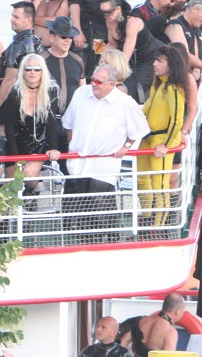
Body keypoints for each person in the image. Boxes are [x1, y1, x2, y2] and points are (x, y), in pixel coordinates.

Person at [60, 62, 150, 236]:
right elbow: (68, 124)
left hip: (103, 170)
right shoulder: (81, 93)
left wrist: (126, 147)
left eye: (99, 82)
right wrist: (73, 147)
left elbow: (139, 130)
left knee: (100, 224)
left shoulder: (125, 103)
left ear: (111, 84)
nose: (93, 84)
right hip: (76, 168)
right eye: (92, 80)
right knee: (71, 222)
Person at [0, 53, 64, 193]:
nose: (32, 72)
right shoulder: (16, 93)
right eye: (28, 69)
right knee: (12, 181)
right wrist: (15, 156)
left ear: (42, 72)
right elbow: (10, 126)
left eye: (36, 69)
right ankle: (17, 207)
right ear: (23, 72)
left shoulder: (51, 90)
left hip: (40, 141)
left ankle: (30, 195)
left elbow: (51, 122)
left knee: (29, 175)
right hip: (17, 140)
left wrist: (53, 147)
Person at [138, 44, 188, 226]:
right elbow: (148, 108)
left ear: (171, 64)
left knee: (160, 184)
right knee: (142, 179)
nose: (154, 64)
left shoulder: (174, 88)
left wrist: (165, 145)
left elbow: (176, 120)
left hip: (162, 139)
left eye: (159, 61)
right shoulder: (159, 84)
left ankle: (159, 225)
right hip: (148, 136)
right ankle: (146, 216)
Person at [100, 0, 163, 102]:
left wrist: (114, 74)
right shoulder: (109, 20)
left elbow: (125, 57)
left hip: (150, 57)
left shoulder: (132, 22)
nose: (105, 16)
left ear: (118, 9)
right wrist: (103, 61)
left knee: (128, 86)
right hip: (133, 58)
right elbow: (112, 45)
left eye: (108, 12)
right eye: (102, 12)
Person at [0, 1, 44, 117]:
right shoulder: (37, 41)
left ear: (28, 20)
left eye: (16, 17)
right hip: (33, 100)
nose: (11, 19)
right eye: (12, 16)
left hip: (14, 101)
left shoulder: (19, 44)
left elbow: (10, 80)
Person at [41, 17, 86, 114]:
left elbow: (83, 92)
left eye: (70, 37)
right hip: (46, 118)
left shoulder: (78, 60)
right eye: (64, 37)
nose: (68, 40)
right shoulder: (40, 61)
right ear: (52, 38)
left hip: (72, 118)